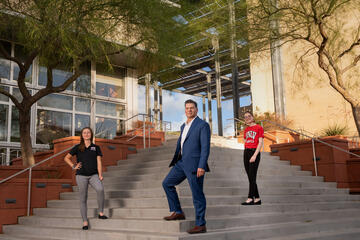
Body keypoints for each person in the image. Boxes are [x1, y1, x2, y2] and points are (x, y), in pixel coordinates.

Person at [162, 99, 211, 234]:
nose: (189, 110)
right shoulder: (184, 126)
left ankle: (201, 224)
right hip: (182, 163)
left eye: (192, 108)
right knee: (167, 183)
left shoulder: (202, 125)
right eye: (187, 108)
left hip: (195, 165)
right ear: (185, 110)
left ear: (196, 110)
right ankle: (178, 211)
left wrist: (202, 165)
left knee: (197, 194)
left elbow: (205, 148)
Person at [64, 127, 108, 230]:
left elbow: (99, 162)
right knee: (83, 198)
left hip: (94, 175)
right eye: (84, 132)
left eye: (88, 132)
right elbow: (66, 158)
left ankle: (100, 213)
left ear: (91, 135)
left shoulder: (96, 147)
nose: (86, 134)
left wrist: (100, 174)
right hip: (81, 176)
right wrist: (73, 166)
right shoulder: (78, 147)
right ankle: (85, 222)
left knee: (100, 189)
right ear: (82, 135)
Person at [242, 111, 264, 205]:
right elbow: (245, 140)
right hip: (246, 152)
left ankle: (250, 198)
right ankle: (257, 198)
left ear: (253, 117)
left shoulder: (259, 127)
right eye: (245, 117)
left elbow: (260, 142)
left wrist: (254, 155)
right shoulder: (246, 130)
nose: (247, 118)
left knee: (252, 176)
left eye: (249, 116)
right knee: (250, 177)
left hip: (254, 152)